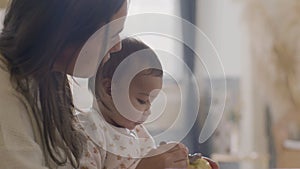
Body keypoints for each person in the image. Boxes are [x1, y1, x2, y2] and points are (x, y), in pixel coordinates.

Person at [0, 0, 127, 168]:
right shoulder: (6, 97)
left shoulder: (47, 78)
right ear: (70, 32)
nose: (117, 46)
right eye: (112, 35)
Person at [78, 38, 219, 169]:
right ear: (109, 89)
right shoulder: (88, 130)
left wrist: (185, 163)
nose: (148, 111)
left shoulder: (139, 133)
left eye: (150, 103)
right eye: (141, 101)